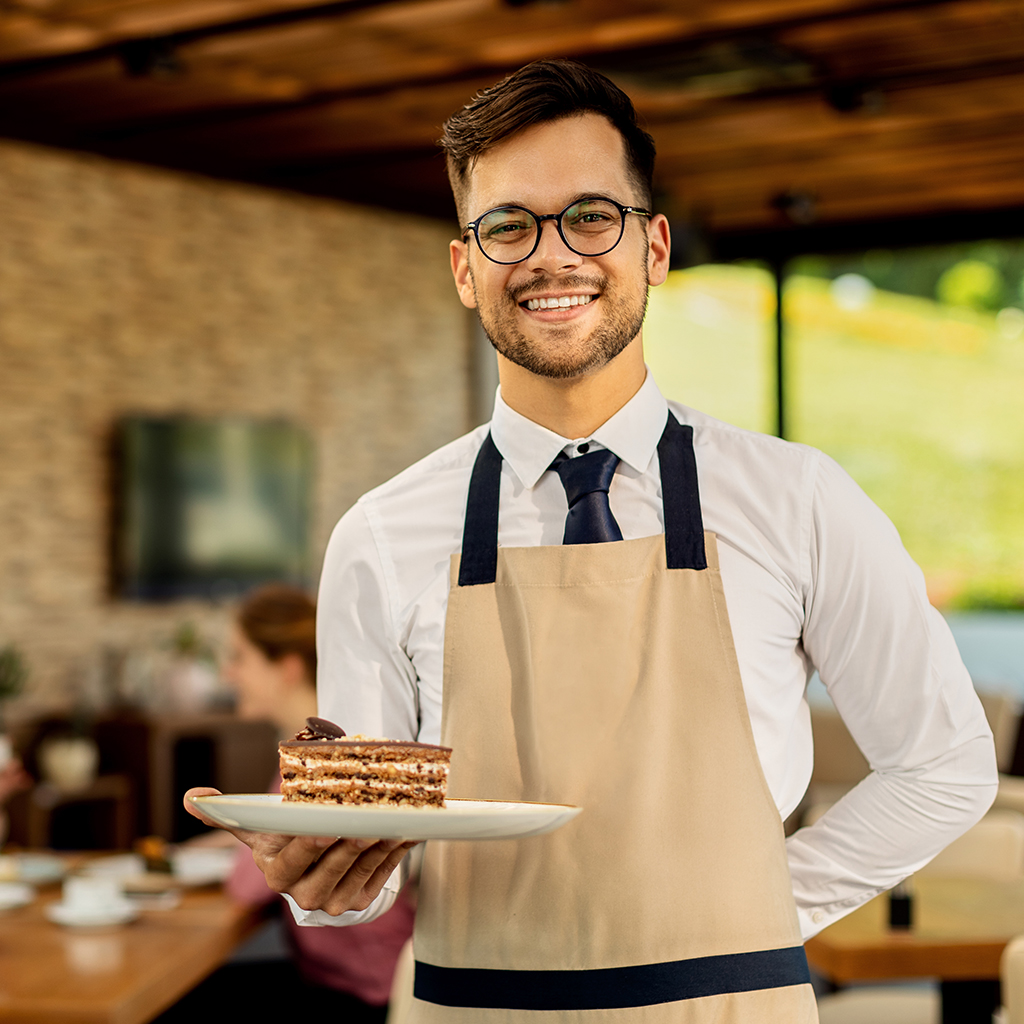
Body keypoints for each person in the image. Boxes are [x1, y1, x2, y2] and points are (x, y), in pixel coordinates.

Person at [187, 60, 998, 1021]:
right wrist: (324, 880)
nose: (552, 255)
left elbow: (942, 765)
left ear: (653, 247)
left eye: (591, 216)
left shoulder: (800, 500)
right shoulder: (381, 534)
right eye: (508, 226)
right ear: (465, 267)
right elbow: (371, 859)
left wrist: (758, 910)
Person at [194, 584, 414, 1021]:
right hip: (347, 978)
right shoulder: (320, 747)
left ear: (287, 668)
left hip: (362, 995)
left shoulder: (316, 766)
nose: (228, 674)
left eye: (240, 657)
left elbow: (247, 884)